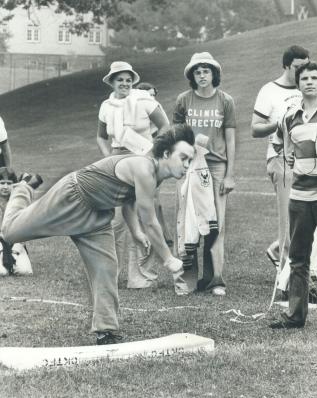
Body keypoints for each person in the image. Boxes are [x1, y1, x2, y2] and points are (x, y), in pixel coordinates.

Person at [1, 124, 195, 343]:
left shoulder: (156, 175)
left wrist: (136, 233)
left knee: (106, 268)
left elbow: (129, 201)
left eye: (190, 160)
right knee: (10, 233)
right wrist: (169, 260)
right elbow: (151, 221)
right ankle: (24, 187)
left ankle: (107, 331)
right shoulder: (144, 168)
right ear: (167, 154)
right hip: (73, 197)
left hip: (98, 216)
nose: (187, 165)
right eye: (184, 158)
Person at [97, 61, 169, 290]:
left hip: (143, 161)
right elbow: (101, 136)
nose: (125, 84)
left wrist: (152, 153)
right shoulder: (106, 105)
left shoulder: (143, 99)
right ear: (112, 82)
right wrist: (108, 156)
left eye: (128, 79)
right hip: (117, 164)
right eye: (120, 79)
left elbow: (165, 126)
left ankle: (140, 275)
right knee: (116, 221)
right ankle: (112, 273)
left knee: (142, 216)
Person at [173, 52, 236, 296]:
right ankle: (187, 280)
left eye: (206, 71)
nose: (202, 75)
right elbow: (175, 134)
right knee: (188, 222)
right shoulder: (183, 100)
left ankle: (215, 280)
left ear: (214, 74)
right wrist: (179, 162)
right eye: (197, 72)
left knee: (216, 223)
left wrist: (231, 173)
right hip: (189, 166)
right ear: (192, 75)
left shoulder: (225, 100)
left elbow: (230, 139)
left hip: (216, 166)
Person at [270, 62, 317, 329]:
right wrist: (288, 152)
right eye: (305, 78)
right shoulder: (290, 115)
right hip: (300, 196)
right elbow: (279, 141)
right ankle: (295, 316)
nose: (310, 82)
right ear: (298, 82)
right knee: (299, 258)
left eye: (315, 78)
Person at [251, 46, 309, 279]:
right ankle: (287, 277)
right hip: (281, 158)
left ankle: (278, 250)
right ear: (286, 65)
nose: (303, 72)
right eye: (298, 67)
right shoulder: (270, 90)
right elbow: (255, 128)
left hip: (310, 160)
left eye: (306, 66)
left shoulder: (310, 87)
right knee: (289, 216)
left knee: (310, 214)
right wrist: (280, 124)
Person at [136, 81, 173, 246]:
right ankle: (151, 233)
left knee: (155, 197)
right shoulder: (137, 110)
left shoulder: (156, 109)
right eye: (148, 95)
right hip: (136, 156)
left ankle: (163, 234)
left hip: (152, 155)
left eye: (153, 95)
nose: (152, 98)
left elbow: (165, 129)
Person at [0, 169, 33, 276]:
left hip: (15, 241)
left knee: (24, 271)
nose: (5, 187)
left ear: (14, 185)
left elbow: (25, 228)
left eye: (9, 183)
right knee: (2, 272)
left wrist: (17, 247)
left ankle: (14, 259)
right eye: (2, 183)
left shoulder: (19, 201)